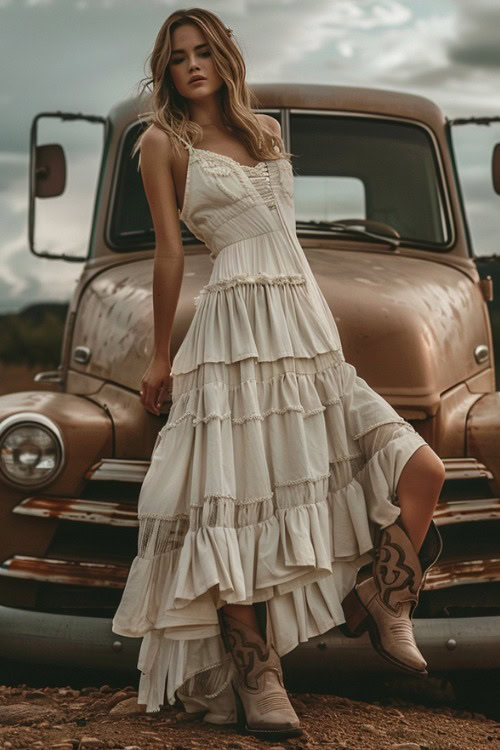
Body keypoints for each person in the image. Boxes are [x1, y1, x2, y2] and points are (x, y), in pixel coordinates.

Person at [111, 7, 446, 741]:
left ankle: (384, 597)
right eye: (177, 57)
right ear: (166, 70)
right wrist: (161, 355)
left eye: (203, 51)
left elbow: (287, 240)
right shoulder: (162, 143)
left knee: (423, 470)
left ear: (224, 57)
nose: (192, 65)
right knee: (233, 503)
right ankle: (260, 675)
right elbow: (171, 252)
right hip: (233, 329)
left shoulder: (264, 132)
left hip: (304, 329)